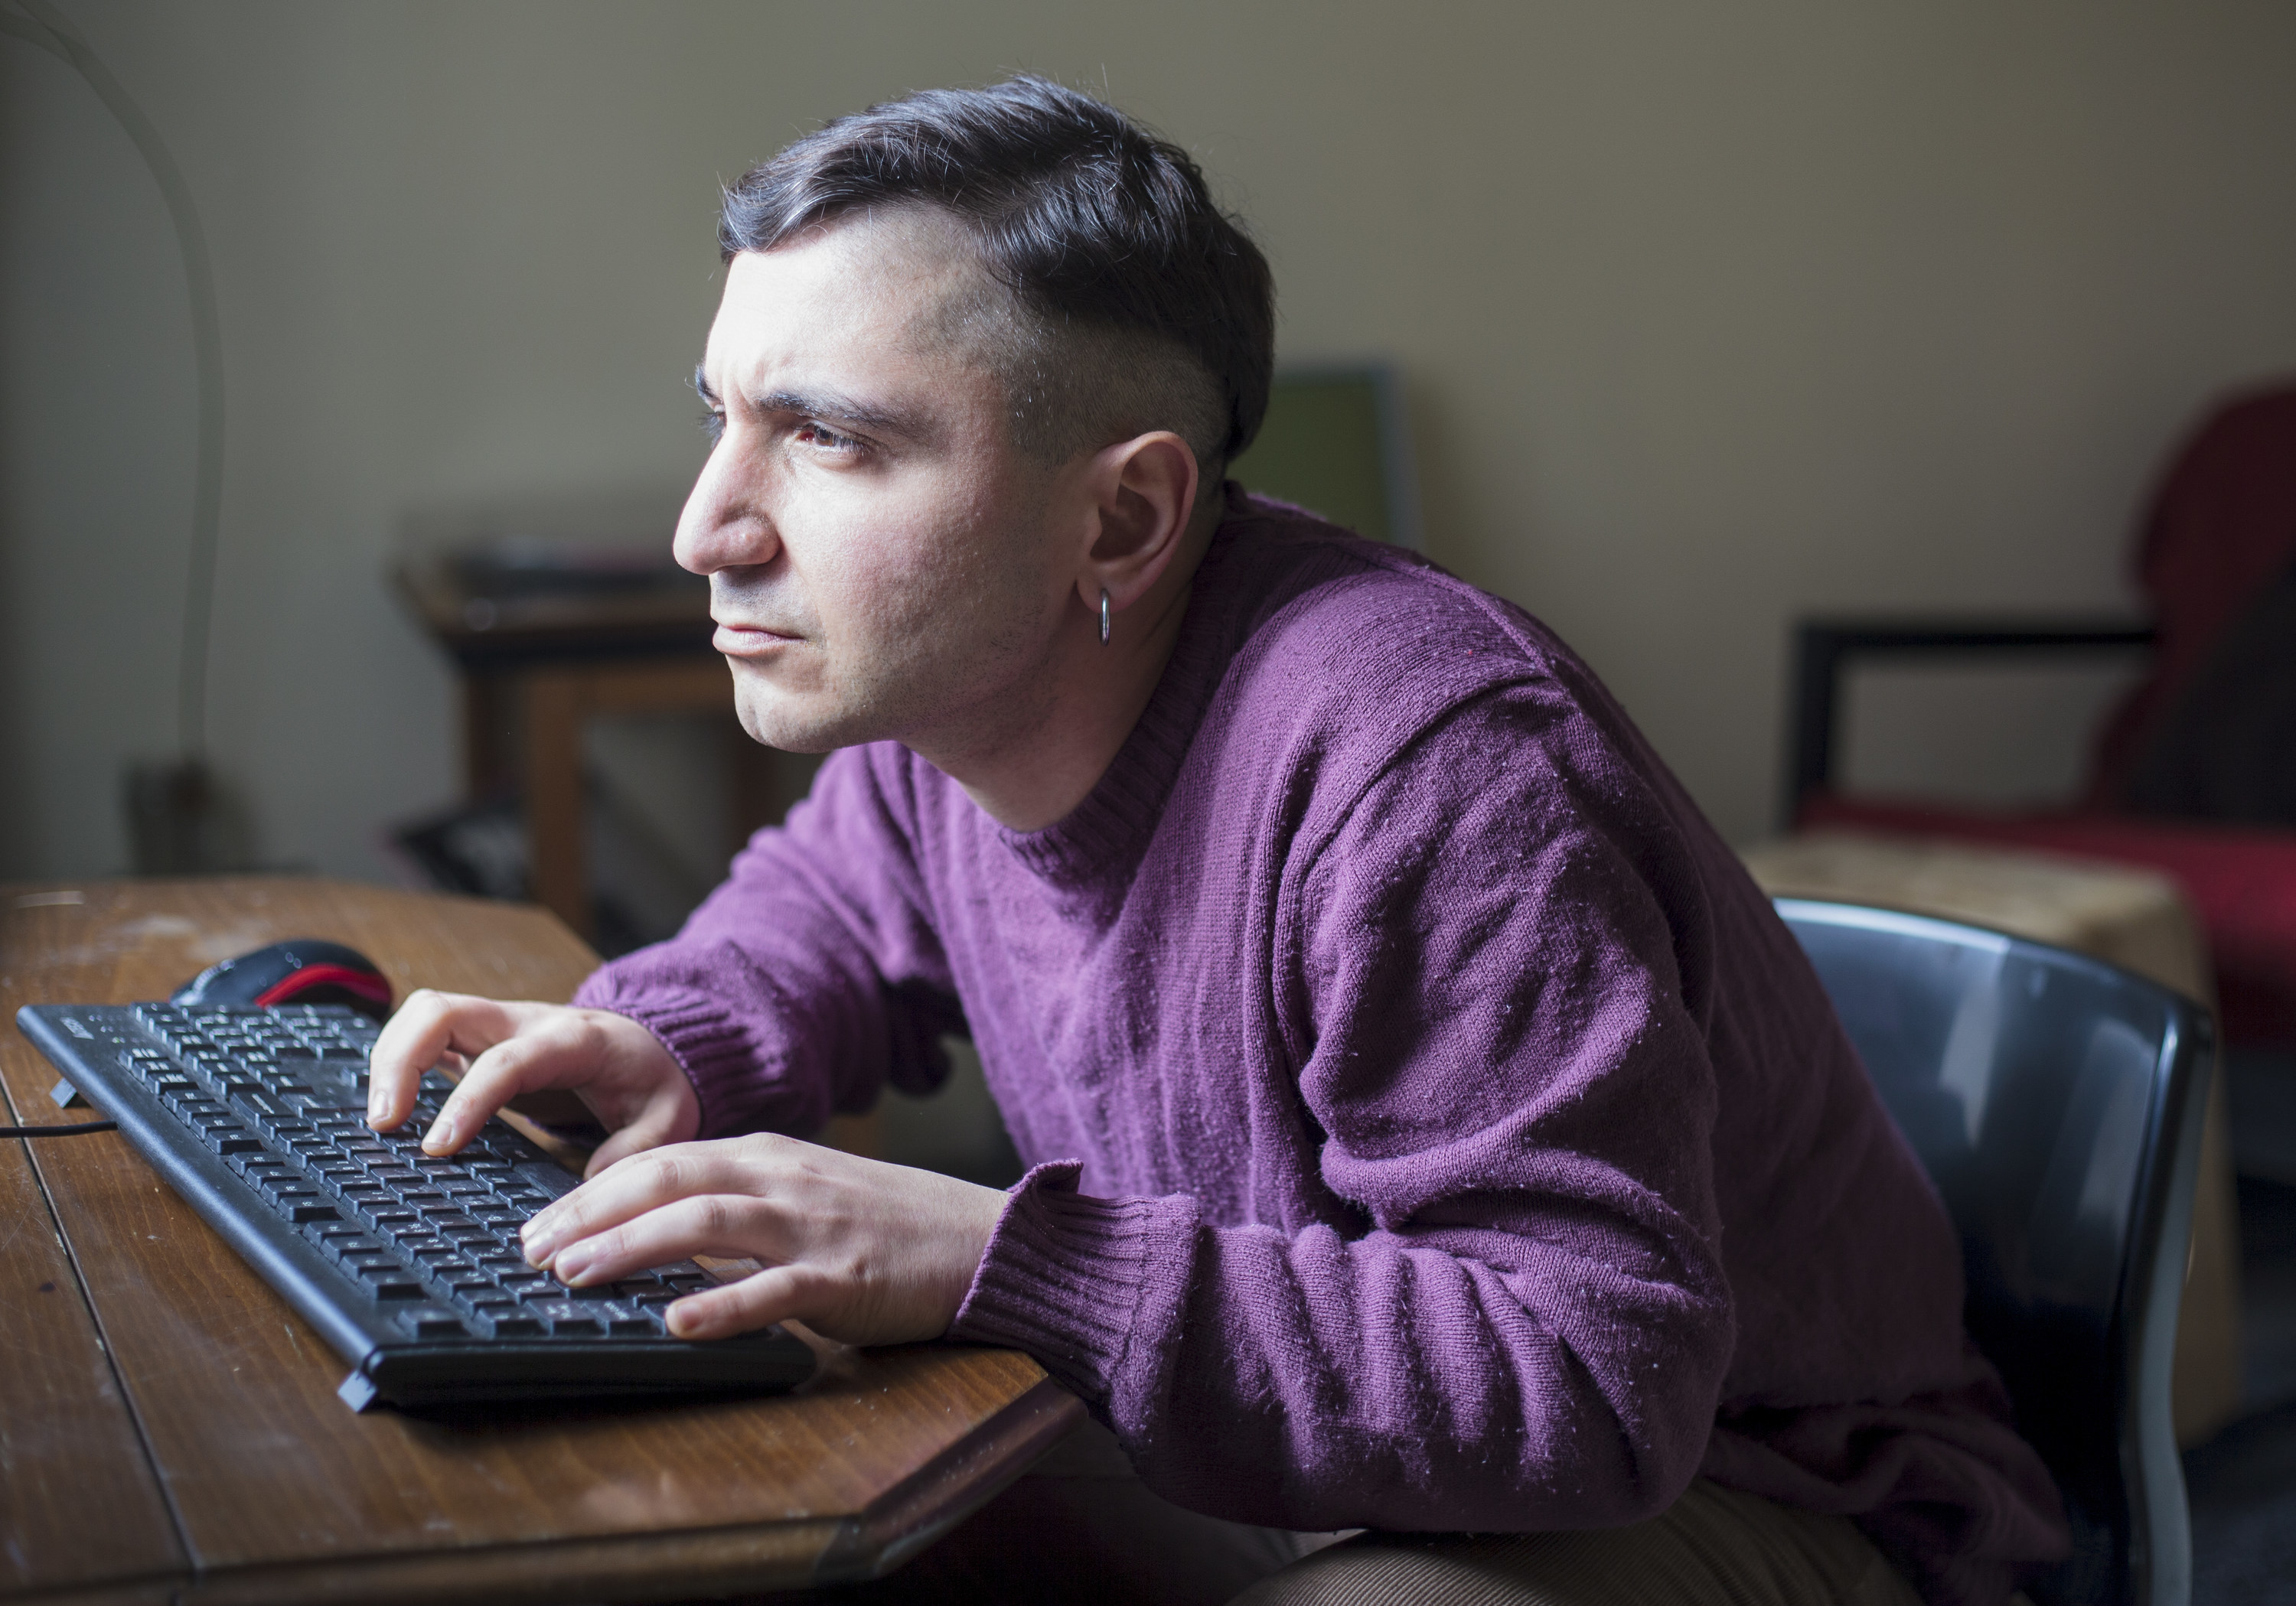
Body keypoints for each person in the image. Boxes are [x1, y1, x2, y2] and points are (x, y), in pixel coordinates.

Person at [366, 77, 2069, 1606]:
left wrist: (993, 1259)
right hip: (1342, 1455)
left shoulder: (1433, 771)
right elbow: (817, 918)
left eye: (826, 437)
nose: (705, 527)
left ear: (1125, 513)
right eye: (722, 416)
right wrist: (665, 1036)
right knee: (699, 1505)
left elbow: (1593, 1377)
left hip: (1753, 1494)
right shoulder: (972, 699)